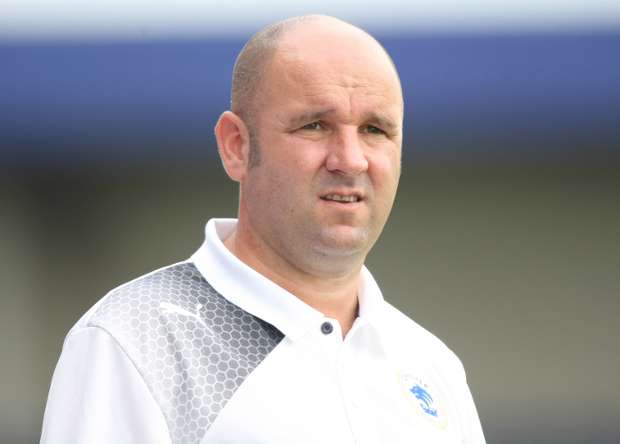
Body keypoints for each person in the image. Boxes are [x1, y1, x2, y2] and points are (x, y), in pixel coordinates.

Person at [41, 15, 485, 444]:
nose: (351, 160)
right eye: (315, 126)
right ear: (236, 146)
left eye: (375, 129)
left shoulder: (432, 366)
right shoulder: (136, 341)